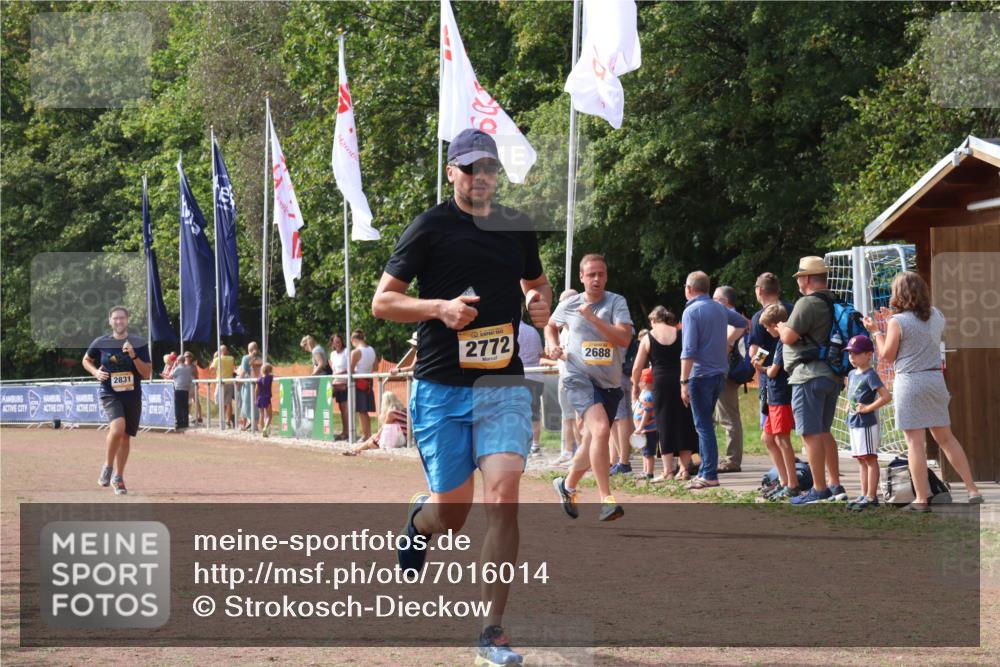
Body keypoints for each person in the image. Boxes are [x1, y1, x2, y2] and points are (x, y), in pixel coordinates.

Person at [371, 127, 552, 667]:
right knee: (453, 514)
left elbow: (535, 285)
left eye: (489, 168)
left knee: (503, 498)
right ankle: (421, 519)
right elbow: (384, 301)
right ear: (452, 171)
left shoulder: (517, 227)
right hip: (441, 387)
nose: (480, 178)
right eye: (470, 168)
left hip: (501, 386)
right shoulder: (430, 227)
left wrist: (539, 303)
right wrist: (439, 309)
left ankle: (491, 632)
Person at [862, 271, 983, 509]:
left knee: (915, 443)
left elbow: (887, 355)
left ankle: (921, 498)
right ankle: (972, 489)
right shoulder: (937, 315)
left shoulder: (898, 321)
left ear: (899, 294)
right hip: (935, 380)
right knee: (946, 438)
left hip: (910, 382)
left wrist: (876, 331)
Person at [548, 253, 633, 522]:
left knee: (591, 440)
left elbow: (624, 338)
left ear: (606, 276)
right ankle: (606, 499)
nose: (596, 279)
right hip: (578, 376)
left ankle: (567, 484)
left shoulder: (616, 302)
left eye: (601, 274)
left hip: (609, 381)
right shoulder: (571, 304)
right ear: (582, 277)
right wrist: (551, 345)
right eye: (591, 274)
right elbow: (551, 325)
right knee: (601, 430)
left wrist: (593, 319)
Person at [777, 257, 847, 505]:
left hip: (808, 376)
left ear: (806, 279)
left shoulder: (807, 303)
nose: (798, 282)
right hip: (832, 375)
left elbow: (788, 336)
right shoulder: (835, 300)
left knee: (810, 433)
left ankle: (818, 489)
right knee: (824, 431)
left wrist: (782, 326)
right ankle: (835, 484)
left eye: (799, 278)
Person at [679, 271, 747, 489]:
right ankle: (706, 469)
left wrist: (683, 381)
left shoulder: (691, 311)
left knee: (704, 425)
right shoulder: (719, 307)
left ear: (689, 288)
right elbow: (745, 324)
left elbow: (688, 349)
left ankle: (708, 473)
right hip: (720, 372)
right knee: (707, 424)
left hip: (700, 375)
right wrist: (728, 343)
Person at [81, 306, 151, 496]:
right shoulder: (101, 342)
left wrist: (134, 356)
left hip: (132, 395)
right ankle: (107, 466)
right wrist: (95, 372)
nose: (119, 321)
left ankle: (118, 478)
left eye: (122, 318)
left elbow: (147, 373)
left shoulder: (138, 343)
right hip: (110, 392)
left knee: (126, 436)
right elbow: (86, 360)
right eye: (115, 318)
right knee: (118, 427)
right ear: (110, 321)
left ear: (127, 320)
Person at [632, 306, 697, 481]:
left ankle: (668, 470)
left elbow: (638, 366)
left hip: (660, 382)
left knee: (664, 423)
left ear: (653, 320)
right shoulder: (680, 333)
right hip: (680, 380)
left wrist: (634, 386)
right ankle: (684, 469)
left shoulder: (648, 337)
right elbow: (689, 356)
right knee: (684, 423)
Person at [748, 272, 795, 479]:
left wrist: (757, 365)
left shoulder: (760, 317)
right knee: (772, 436)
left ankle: (789, 479)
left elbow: (756, 351)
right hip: (793, 377)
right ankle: (786, 478)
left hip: (774, 385)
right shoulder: (793, 309)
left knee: (778, 437)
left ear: (759, 291)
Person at [843, 335, 892, 511]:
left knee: (870, 458)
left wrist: (869, 408)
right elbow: (852, 392)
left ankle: (872, 496)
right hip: (853, 422)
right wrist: (849, 403)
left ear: (868, 354)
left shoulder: (871, 374)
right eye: (849, 353)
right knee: (860, 460)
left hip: (866, 424)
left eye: (856, 354)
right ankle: (863, 494)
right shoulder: (851, 373)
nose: (852, 357)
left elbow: (886, 397)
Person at [759, 304, 799, 500]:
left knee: (782, 439)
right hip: (773, 397)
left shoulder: (783, 342)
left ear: (775, 325)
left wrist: (761, 368)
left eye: (767, 327)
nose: (767, 331)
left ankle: (792, 483)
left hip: (781, 396)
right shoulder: (778, 342)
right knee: (767, 438)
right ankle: (783, 480)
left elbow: (774, 371)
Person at [540, 289, 581, 466]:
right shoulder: (563, 329)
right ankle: (567, 451)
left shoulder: (577, 327)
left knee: (577, 418)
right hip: (563, 375)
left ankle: (580, 452)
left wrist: (558, 355)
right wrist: (553, 352)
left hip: (576, 377)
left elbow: (578, 355)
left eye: (564, 303)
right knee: (567, 416)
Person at [713, 285, 747, 473]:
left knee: (728, 417)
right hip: (727, 372)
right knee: (724, 416)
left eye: (715, 299)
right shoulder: (731, 319)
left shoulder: (730, 321)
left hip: (726, 373)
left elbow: (724, 347)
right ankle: (727, 458)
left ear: (724, 302)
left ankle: (732, 460)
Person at [610, 331, 639, 475]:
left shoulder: (615, 325)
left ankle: (623, 461)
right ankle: (623, 460)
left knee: (619, 418)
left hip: (615, 374)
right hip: (626, 375)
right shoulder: (628, 326)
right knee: (624, 417)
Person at [343, 391, 408, 456]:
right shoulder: (404, 411)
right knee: (373, 438)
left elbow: (383, 429)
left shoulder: (391, 413)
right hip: (403, 439)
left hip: (397, 441)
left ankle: (355, 451)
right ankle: (356, 450)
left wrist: (375, 438)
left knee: (371, 442)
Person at [517, 318, 544, 456]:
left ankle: (522, 444)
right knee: (535, 413)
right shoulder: (533, 331)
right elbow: (540, 354)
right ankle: (535, 445)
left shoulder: (512, 331)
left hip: (519, 377)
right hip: (536, 377)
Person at [350, 329, 377, 441]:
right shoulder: (372, 349)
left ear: (353, 340)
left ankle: (366, 435)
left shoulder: (356, 352)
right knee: (364, 411)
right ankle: (368, 434)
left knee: (362, 410)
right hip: (369, 381)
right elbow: (375, 367)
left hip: (359, 381)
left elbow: (350, 370)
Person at [632, 368, 659, 481]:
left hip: (648, 430)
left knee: (649, 453)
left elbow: (646, 413)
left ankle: (649, 473)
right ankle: (645, 470)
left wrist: (640, 427)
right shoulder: (644, 394)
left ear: (645, 382)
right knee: (645, 452)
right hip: (644, 430)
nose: (638, 384)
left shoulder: (648, 396)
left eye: (639, 381)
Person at [328, 333, 350, 440]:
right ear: (332, 343)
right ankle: (344, 430)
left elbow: (350, 367)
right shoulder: (332, 354)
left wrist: (340, 374)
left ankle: (347, 431)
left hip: (346, 383)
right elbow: (333, 369)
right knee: (341, 408)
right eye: (335, 342)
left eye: (339, 341)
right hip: (336, 383)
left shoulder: (347, 351)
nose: (338, 343)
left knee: (345, 408)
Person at [237, 342, 262, 430]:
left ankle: (244, 424)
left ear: (249, 350)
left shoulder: (246, 358)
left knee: (246, 403)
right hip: (258, 383)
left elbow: (243, 372)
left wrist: (238, 383)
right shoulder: (260, 358)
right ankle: (254, 425)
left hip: (248, 384)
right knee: (255, 403)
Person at [209, 345, 236, 428]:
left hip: (221, 383)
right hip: (230, 382)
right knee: (228, 402)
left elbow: (211, 369)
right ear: (226, 350)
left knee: (218, 400)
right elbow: (234, 368)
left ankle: (223, 420)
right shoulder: (231, 358)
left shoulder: (217, 359)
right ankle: (228, 420)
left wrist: (214, 358)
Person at [171, 351, 195, 429]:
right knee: (185, 406)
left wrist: (174, 366)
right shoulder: (189, 368)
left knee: (178, 406)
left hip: (178, 389)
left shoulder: (177, 368)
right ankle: (185, 422)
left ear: (178, 361)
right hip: (186, 389)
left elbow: (171, 375)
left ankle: (179, 422)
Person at [256, 363, 274, 437]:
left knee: (261, 414)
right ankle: (265, 428)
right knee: (269, 415)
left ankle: (263, 428)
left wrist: (255, 398)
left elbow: (256, 390)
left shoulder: (259, 379)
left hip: (260, 397)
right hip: (267, 397)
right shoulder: (270, 377)